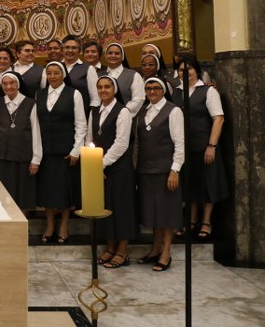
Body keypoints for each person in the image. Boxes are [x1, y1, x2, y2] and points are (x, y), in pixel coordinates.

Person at [172, 54, 227, 240]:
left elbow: (218, 119)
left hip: (205, 146)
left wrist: (211, 145)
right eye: (181, 70)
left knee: (208, 183)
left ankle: (206, 221)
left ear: (196, 70)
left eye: (189, 69)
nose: (185, 72)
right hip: (184, 148)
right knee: (190, 183)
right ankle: (191, 219)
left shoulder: (208, 91)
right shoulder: (176, 92)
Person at [136, 76, 184, 272]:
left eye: (156, 88)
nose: (152, 91)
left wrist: (175, 170)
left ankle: (166, 252)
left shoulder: (173, 111)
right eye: (148, 88)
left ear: (163, 90)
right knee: (153, 212)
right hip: (145, 170)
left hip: (166, 170)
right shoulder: (142, 111)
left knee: (167, 212)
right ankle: (155, 249)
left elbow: (180, 143)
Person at [89, 75, 137, 269]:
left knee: (122, 208)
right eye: (100, 87)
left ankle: (122, 251)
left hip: (119, 169)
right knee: (106, 207)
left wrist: (101, 164)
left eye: (107, 87)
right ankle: (110, 247)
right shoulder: (94, 111)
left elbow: (122, 143)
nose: (103, 90)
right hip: (100, 168)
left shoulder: (123, 111)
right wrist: (94, 165)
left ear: (114, 89)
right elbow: (89, 139)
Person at [36, 61, 86, 244]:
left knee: (65, 191)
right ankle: (50, 225)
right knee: (47, 190)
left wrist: (76, 150)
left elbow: (81, 124)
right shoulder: (39, 94)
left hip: (66, 151)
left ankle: (64, 224)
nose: (52, 76)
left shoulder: (74, 94)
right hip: (45, 151)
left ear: (63, 74)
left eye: (56, 73)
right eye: (49, 73)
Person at [0, 73, 41, 211]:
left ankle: (21, 223)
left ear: (18, 84)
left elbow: (36, 132)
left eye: (12, 83)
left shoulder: (30, 103)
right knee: (1, 195)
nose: (8, 86)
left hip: (22, 157)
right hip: (1, 157)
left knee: (22, 195)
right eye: (5, 84)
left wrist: (36, 159)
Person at [101, 43, 145, 116]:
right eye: (110, 53)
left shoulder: (134, 75)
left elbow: (138, 99)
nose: (113, 55)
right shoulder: (99, 75)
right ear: (105, 55)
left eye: (117, 53)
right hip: (102, 117)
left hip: (125, 117)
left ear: (122, 56)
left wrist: (121, 113)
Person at [61, 35, 99, 113]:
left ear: (79, 51)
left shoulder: (88, 69)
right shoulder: (55, 67)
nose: (70, 50)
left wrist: (91, 116)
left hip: (81, 114)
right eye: (67, 47)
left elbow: (95, 99)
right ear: (62, 50)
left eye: (74, 48)